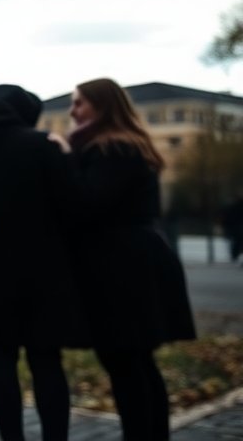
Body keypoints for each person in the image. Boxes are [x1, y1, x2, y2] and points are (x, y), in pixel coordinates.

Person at [65, 78, 196, 441]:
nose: (73, 112)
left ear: (102, 106)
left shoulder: (112, 149)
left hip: (123, 269)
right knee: (135, 361)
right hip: (132, 263)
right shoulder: (123, 145)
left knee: (125, 361)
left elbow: (87, 203)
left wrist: (63, 158)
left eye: (80, 104)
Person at [0, 84, 83, 441]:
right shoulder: (43, 147)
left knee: (0, 361)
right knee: (46, 361)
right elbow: (71, 207)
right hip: (44, 274)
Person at [224, 196, 243, 266]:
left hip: (235, 228)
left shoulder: (233, 207)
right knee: (237, 242)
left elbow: (228, 218)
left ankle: (234, 255)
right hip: (237, 227)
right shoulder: (236, 208)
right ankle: (235, 255)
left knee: (236, 242)